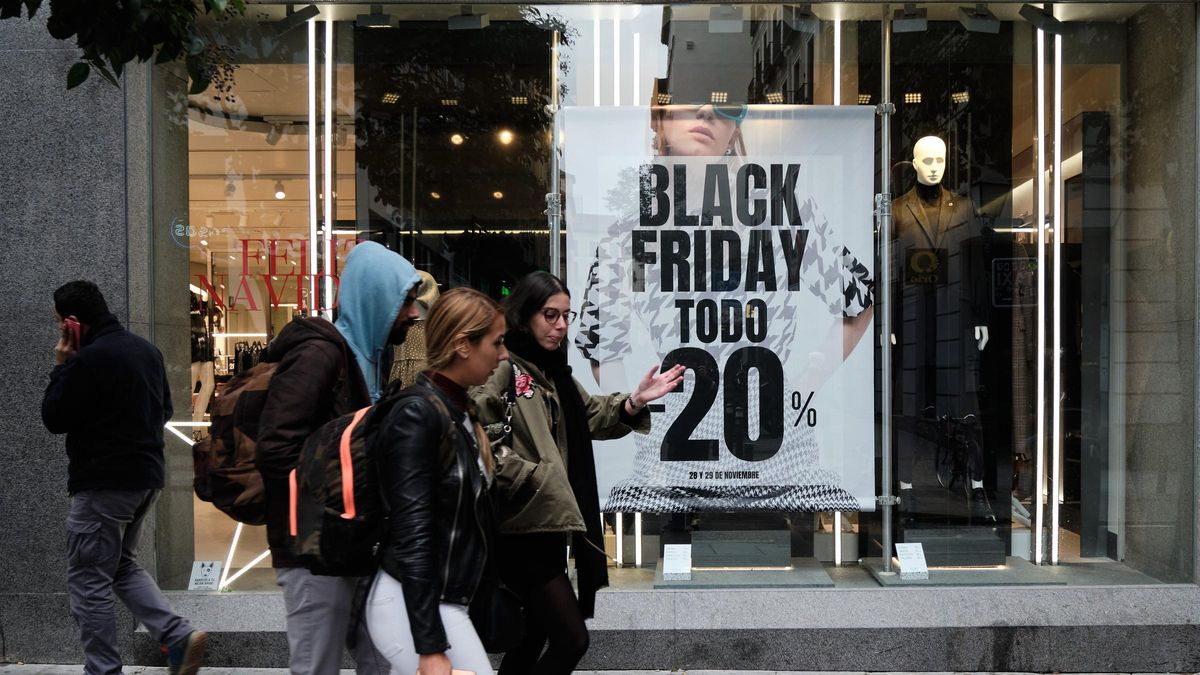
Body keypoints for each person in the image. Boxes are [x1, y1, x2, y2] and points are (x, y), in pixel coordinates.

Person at [575, 81, 875, 513]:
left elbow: (857, 299)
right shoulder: (632, 231)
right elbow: (601, 341)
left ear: (736, 128)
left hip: (777, 453)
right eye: (684, 103)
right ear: (659, 119)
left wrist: (801, 387)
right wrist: (637, 410)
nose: (705, 114)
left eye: (725, 107)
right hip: (670, 459)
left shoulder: (780, 210)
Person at [473, 272, 684, 675]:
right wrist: (533, 478)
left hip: (546, 526)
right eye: (550, 315)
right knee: (571, 639)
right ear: (524, 316)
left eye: (566, 316)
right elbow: (476, 436)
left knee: (533, 635)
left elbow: (590, 416)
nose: (561, 326)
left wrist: (636, 400)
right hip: (520, 530)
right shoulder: (505, 368)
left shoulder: (552, 373)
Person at [256, 241, 420, 675]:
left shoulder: (371, 360)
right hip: (315, 549)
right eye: (406, 301)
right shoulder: (320, 355)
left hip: (356, 544)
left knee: (382, 659)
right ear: (377, 297)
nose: (414, 314)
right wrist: (333, 506)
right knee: (317, 666)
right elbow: (276, 448)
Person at [41, 280, 207, 675]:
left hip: (103, 483)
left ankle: (103, 670)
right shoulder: (146, 352)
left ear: (72, 324)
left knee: (87, 579)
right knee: (119, 566)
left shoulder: (87, 361)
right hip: (146, 478)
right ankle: (176, 634)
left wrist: (61, 365)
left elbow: (54, 417)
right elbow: (164, 409)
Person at [365, 287, 509, 675]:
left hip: (437, 603)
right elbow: (413, 534)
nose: (503, 354)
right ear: (463, 345)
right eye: (496, 343)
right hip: (416, 606)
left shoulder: (457, 411)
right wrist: (429, 646)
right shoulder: (418, 415)